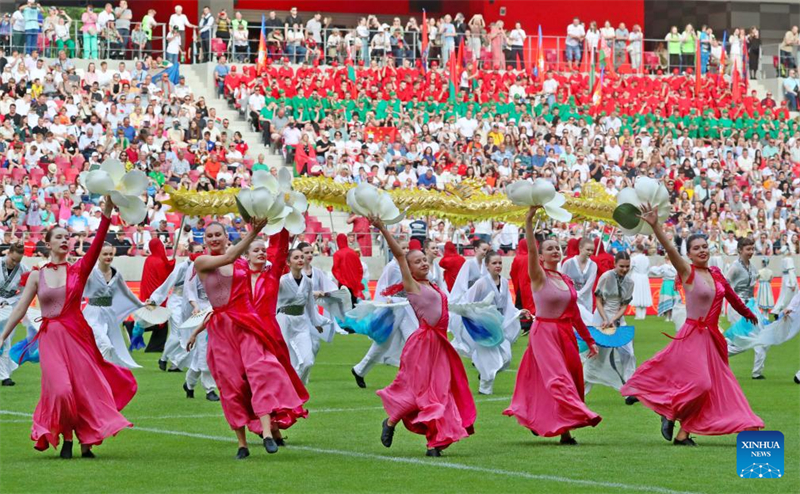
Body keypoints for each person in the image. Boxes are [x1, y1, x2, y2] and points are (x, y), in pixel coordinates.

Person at [0, 197, 136, 458]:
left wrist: (106, 214)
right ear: (48, 243)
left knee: (85, 389)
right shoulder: (37, 275)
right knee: (61, 390)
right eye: (59, 237)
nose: (65, 240)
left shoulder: (78, 270)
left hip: (78, 335)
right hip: (51, 338)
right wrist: (3, 336)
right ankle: (67, 436)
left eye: (67, 237)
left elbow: (96, 246)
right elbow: (19, 309)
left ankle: (85, 441)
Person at [621, 204, 764, 446]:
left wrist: (747, 313)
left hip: (712, 338)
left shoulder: (717, 274)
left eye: (704, 247)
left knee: (720, 386)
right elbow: (668, 247)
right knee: (701, 383)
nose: (702, 251)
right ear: (689, 254)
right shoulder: (687, 272)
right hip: (693, 334)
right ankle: (669, 412)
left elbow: (731, 296)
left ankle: (685, 433)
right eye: (696, 248)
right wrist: (656, 225)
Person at [187, 221, 308, 458]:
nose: (213, 239)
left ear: (225, 236)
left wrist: (280, 225)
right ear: (205, 240)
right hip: (222, 330)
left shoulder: (242, 264)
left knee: (260, 372)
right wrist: (197, 330)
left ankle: (266, 433)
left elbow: (264, 266)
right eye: (209, 235)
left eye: (217, 235)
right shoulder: (202, 263)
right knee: (231, 386)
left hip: (247, 325)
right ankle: (241, 443)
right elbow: (218, 304)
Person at [369, 214, 475, 457]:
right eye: (416, 262)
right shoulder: (412, 285)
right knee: (420, 393)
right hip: (424, 344)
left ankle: (434, 441)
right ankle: (392, 422)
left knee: (440, 392)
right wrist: (384, 228)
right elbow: (398, 255)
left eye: (424, 260)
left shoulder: (432, 284)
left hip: (440, 343)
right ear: (409, 268)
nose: (423, 263)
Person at [504, 207, 601, 444]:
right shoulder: (538, 276)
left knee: (572, 375)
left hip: (565, 333)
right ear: (541, 255)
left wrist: (588, 340)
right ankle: (581, 414)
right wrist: (528, 222)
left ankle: (564, 431)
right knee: (558, 378)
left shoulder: (565, 279)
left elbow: (575, 314)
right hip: (545, 332)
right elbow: (531, 245)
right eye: (549, 248)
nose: (555, 251)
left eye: (557, 247)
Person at [350, 239, 416, 388]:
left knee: (413, 339)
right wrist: (386, 303)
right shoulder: (392, 267)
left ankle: (411, 377)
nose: (405, 250)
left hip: (405, 308)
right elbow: (383, 286)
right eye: (402, 247)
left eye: (407, 248)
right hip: (393, 310)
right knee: (382, 344)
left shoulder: (406, 266)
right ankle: (360, 370)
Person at [459, 250, 525, 395]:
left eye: (500, 263)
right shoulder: (481, 283)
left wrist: (518, 313)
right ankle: (485, 388)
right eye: (494, 263)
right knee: (489, 360)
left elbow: (508, 304)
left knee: (506, 358)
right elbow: (468, 301)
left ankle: (479, 365)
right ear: (487, 266)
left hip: (499, 323)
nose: (498, 265)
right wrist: (477, 316)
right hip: (484, 325)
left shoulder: (505, 282)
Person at [83, 242, 143, 369]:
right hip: (93, 314)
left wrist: (141, 304)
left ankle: (107, 371)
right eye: (105, 254)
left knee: (113, 345)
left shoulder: (116, 273)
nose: (108, 257)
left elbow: (126, 291)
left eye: (110, 254)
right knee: (105, 345)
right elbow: (77, 288)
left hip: (110, 314)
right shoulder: (91, 272)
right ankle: (100, 370)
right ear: (98, 255)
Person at [585, 251, 636, 399]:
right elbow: (599, 300)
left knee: (629, 353)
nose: (625, 269)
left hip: (618, 319)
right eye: (622, 266)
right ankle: (580, 391)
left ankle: (630, 390)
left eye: (627, 266)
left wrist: (614, 319)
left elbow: (624, 305)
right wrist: (605, 318)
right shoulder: (606, 277)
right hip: (601, 316)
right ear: (615, 264)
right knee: (596, 355)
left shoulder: (630, 282)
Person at [276, 246, 329, 385]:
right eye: (296, 257)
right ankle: (292, 395)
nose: (300, 260)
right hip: (283, 323)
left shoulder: (308, 282)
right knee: (289, 361)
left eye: (301, 257)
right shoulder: (282, 281)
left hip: (301, 323)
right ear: (288, 262)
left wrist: (317, 322)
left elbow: (310, 305)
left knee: (308, 361)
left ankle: (297, 390)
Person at [149, 242, 204, 372]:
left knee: (192, 334)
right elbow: (168, 283)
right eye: (196, 251)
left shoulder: (204, 266)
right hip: (177, 302)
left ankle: (177, 363)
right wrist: (154, 300)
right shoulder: (181, 267)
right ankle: (163, 358)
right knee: (177, 333)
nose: (199, 254)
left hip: (193, 303)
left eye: (201, 251)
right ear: (189, 252)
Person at [725, 238, 768, 379]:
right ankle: (716, 354)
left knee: (763, 339)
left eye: (752, 249)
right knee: (742, 342)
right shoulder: (735, 267)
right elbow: (725, 287)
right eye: (748, 249)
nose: (751, 252)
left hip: (751, 305)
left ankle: (757, 373)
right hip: (738, 306)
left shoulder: (752, 267)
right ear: (740, 250)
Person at [182, 244, 219, 402]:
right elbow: (189, 290)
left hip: (219, 309)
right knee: (205, 349)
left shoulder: (220, 265)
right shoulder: (193, 268)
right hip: (203, 310)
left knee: (206, 351)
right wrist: (195, 305)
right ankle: (209, 388)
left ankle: (189, 383)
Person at [448, 239, 490, 356]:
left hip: (480, 299)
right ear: (476, 249)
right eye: (484, 249)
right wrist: (467, 297)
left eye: (487, 250)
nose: (485, 252)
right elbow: (462, 282)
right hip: (469, 298)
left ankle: (479, 350)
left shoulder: (486, 265)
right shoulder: (469, 264)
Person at [0, 243, 31, 386]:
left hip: (9, 308)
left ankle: (5, 376)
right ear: (8, 252)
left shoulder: (24, 270)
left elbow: (25, 294)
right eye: (13, 259)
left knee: (6, 340)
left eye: (18, 261)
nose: (15, 263)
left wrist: (9, 301)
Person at [560, 238, 597, 313]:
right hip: (570, 298)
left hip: (586, 299)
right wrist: (573, 294)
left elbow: (590, 284)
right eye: (588, 249)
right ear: (580, 248)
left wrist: (579, 294)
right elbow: (562, 280)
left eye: (592, 250)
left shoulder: (593, 265)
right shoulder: (568, 263)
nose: (590, 252)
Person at [332, 233, 363, 306]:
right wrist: (357, 280)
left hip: (343, 283)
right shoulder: (353, 252)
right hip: (354, 282)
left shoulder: (337, 254)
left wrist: (342, 280)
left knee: (345, 304)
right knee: (353, 303)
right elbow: (359, 268)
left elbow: (335, 270)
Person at [630, 243, 652, 319]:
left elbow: (630, 267)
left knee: (637, 294)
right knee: (643, 295)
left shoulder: (634, 258)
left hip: (637, 277)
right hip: (644, 277)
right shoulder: (646, 258)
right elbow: (648, 269)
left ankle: (638, 315)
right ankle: (642, 315)